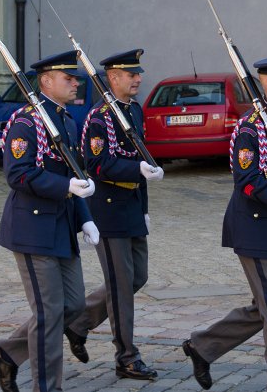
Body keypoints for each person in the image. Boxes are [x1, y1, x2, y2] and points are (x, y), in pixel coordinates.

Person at [182, 55, 267, 392]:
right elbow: (247, 182)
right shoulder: (249, 128)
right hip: (254, 227)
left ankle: (203, 346)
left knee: (264, 308)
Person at [0, 50, 101, 392]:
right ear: (47, 81)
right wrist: (66, 186)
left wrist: (85, 219)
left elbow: (73, 174)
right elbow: (18, 174)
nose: (75, 82)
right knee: (49, 313)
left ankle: (6, 353)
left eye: (76, 77)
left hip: (62, 227)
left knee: (75, 305)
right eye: (69, 78)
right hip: (33, 229)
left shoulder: (66, 120)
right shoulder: (26, 121)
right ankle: (47, 387)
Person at [64, 49, 165, 380]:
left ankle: (79, 323)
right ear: (112, 78)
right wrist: (138, 169)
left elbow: (141, 155)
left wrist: (146, 206)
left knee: (138, 277)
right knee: (121, 286)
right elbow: (98, 164)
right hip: (108, 211)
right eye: (130, 74)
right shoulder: (99, 117)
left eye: (138, 73)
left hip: (132, 208)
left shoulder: (133, 111)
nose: (137, 79)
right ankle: (127, 357)